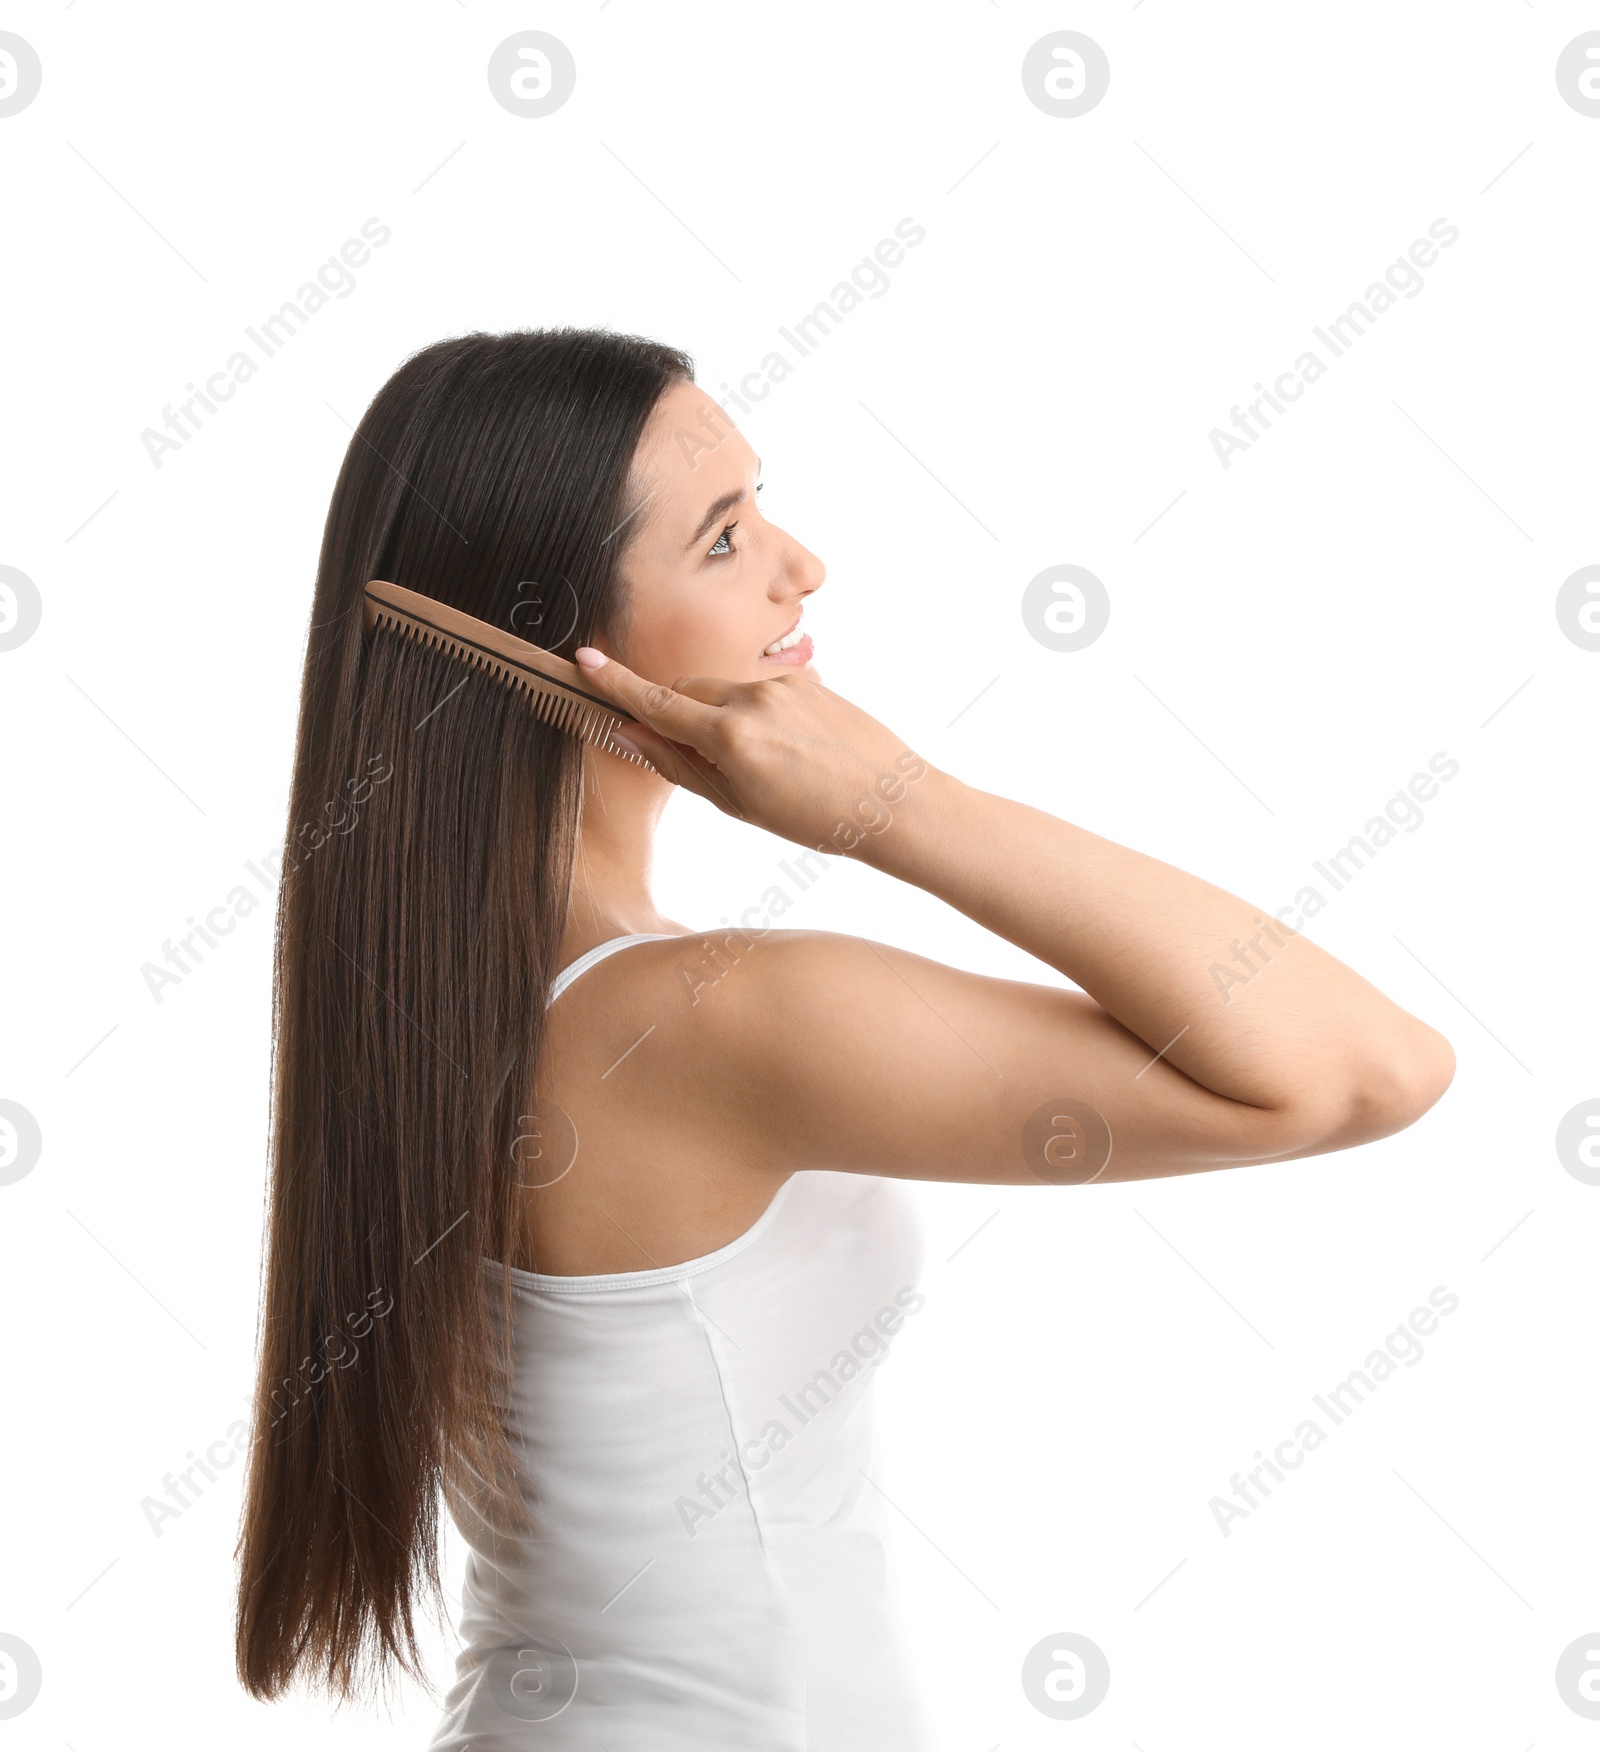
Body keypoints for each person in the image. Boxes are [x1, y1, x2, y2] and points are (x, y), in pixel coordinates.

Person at [234, 327, 1455, 1748]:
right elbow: (1364, 1069)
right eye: (723, 538)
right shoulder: (701, 1023)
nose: (799, 565)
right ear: (542, 643)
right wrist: (897, 801)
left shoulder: (453, 999)